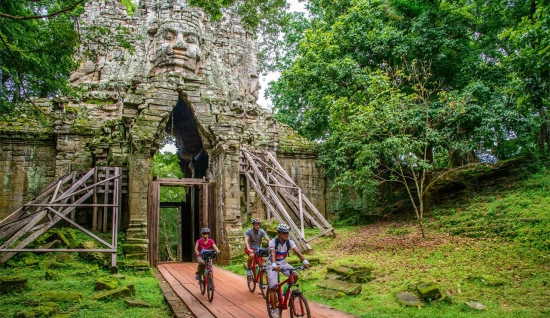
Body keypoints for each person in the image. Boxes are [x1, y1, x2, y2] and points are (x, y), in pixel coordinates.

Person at [267, 224, 310, 318]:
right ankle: (274, 311)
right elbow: (273, 254)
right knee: (273, 287)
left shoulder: (289, 242)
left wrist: (305, 261)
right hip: (272, 264)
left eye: (287, 233)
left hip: (283, 263)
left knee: (295, 275)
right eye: (284, 233)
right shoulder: (273, 242)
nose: (286, 235)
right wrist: (274, 265)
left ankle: (286, 290)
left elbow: (297, 252)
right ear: (279, 234)